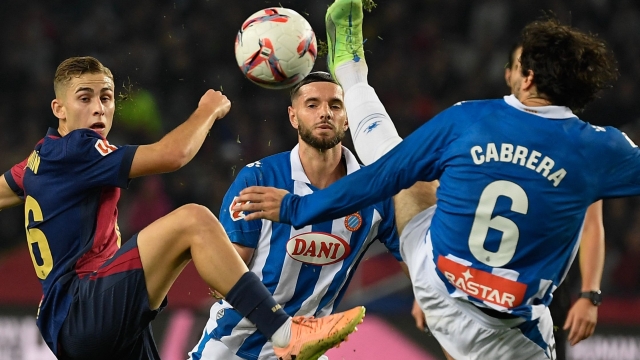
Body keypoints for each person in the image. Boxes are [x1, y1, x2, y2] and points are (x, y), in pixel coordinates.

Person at [232, 1, 623, 359]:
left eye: (514, 66)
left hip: (438, 282)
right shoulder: (598, 150)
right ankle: (351, 73)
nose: (507, 72)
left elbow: (383, 175)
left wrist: (297, 207)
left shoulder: (468, 119)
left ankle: (351, 74)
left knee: (400, 169)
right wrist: (590, 291)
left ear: (527, 78)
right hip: (513, 329)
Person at [0, 56, 365, 360]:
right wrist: (207, 110)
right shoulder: (79, 147)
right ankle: (286, 332)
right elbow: (174, 155)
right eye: (85, 98)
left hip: (78, 328)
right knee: (193, 220)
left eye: (107, 97)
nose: (99, 108)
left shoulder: (41, 158)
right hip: (84, 308)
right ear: (58, 109)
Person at [189, 71, 403, 360]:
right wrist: (219, 276)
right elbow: (228, 267)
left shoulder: (374, 193)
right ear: (293, 116)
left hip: (305, 351)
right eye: (312, 105)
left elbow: (414, 256)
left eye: (335, 105)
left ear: (349, 117)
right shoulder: (259, 179)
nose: (325, 113)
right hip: (233, 348)